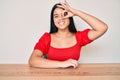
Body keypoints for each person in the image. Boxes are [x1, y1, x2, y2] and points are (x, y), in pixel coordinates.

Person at [28, 0, 108, 68]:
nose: (61, 18)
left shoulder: (79, 37)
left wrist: (76, 12)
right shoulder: (47, 38)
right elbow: (32, 60)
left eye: (64, 14)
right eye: (56, 16)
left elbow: (102, 28)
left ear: (70, 17)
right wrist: (62, 64)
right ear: (53, 20)